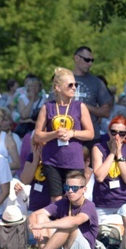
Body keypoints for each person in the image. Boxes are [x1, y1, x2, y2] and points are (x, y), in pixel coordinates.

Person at [16, 170, 98, 249]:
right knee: (40, 217)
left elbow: (74, 221)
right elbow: (34, 214)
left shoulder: (89, 206)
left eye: (75, 188)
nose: (70, 191)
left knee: (68, 226)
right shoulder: (63, 203)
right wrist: (34, 226)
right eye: (67, 187)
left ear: (84, 189)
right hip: (65, 246)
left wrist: (43, 226)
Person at [33, 67, 94, 202]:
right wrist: (55, 134)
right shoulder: (47, 107)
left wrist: (72, 133)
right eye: (70, 85)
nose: (74, 88)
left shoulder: (79, 106)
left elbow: (90, 133)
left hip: (74, 160)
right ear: (58, 88)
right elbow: (37, 136)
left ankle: (72, 223)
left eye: (75, 85)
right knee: (57, 199)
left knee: (74, 198)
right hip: (52, 160)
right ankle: (57, 223)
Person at [92, 116, 126, 217]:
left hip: (124, 202)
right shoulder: (98, 148)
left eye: (121, 133)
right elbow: (99, 177)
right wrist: (112, 153)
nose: (117, 136)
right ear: (108, 132)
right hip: (102, 203)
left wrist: (119, 154)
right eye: (114, 132)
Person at [72, 46, 113, 146]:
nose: (90, 63)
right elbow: (49, 107)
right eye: (87, 60)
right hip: (67, 136)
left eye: (92, 60)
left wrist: (84, 106)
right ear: (76, 58)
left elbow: (106, 112)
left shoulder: (97, 82)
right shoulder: (62, 80)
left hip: (91, 137)